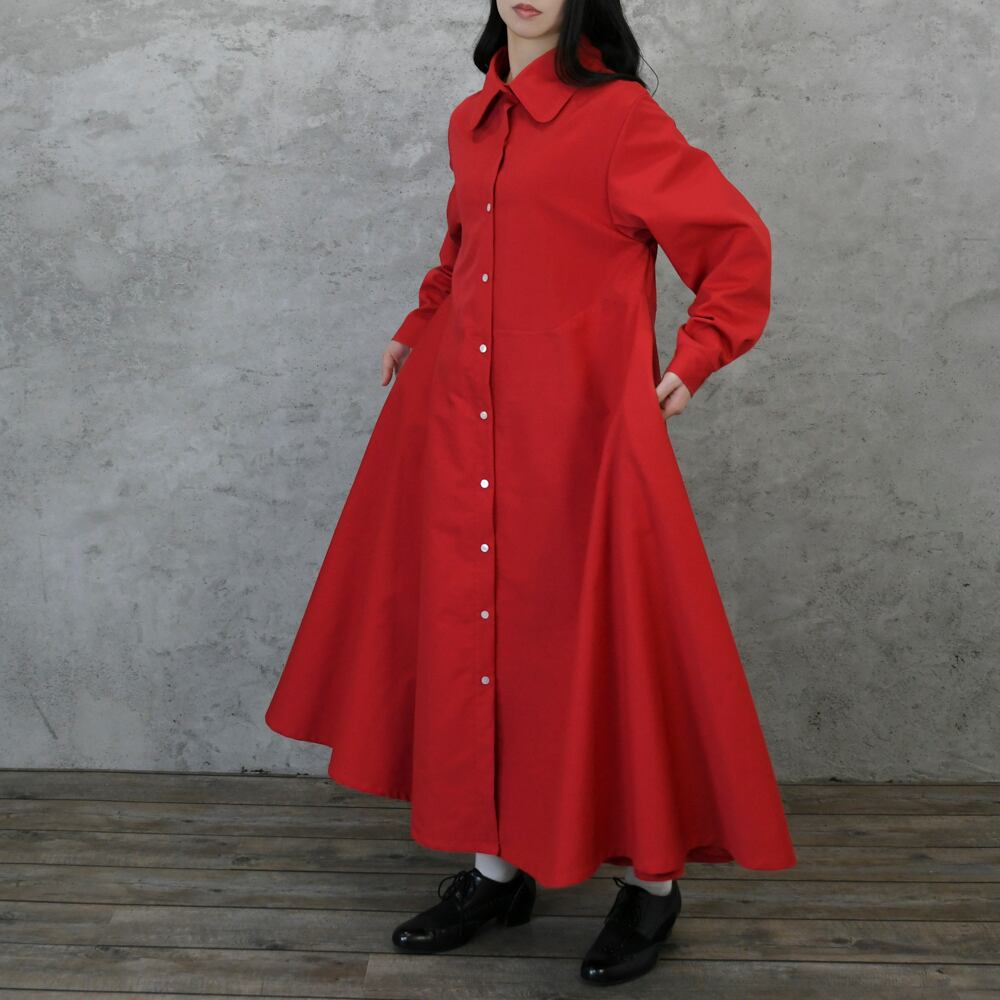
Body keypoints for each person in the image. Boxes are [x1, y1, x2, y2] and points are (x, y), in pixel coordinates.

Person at [265, 0, 797, 986]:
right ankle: (495, 872)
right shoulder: (471, 123)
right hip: (457, 424)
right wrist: (419, 323)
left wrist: (697, 353)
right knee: (476, 636)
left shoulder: (621, 118)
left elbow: (735, 244)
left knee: (602, 647)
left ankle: (650, 886)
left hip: (582, 443)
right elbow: (463, 251)